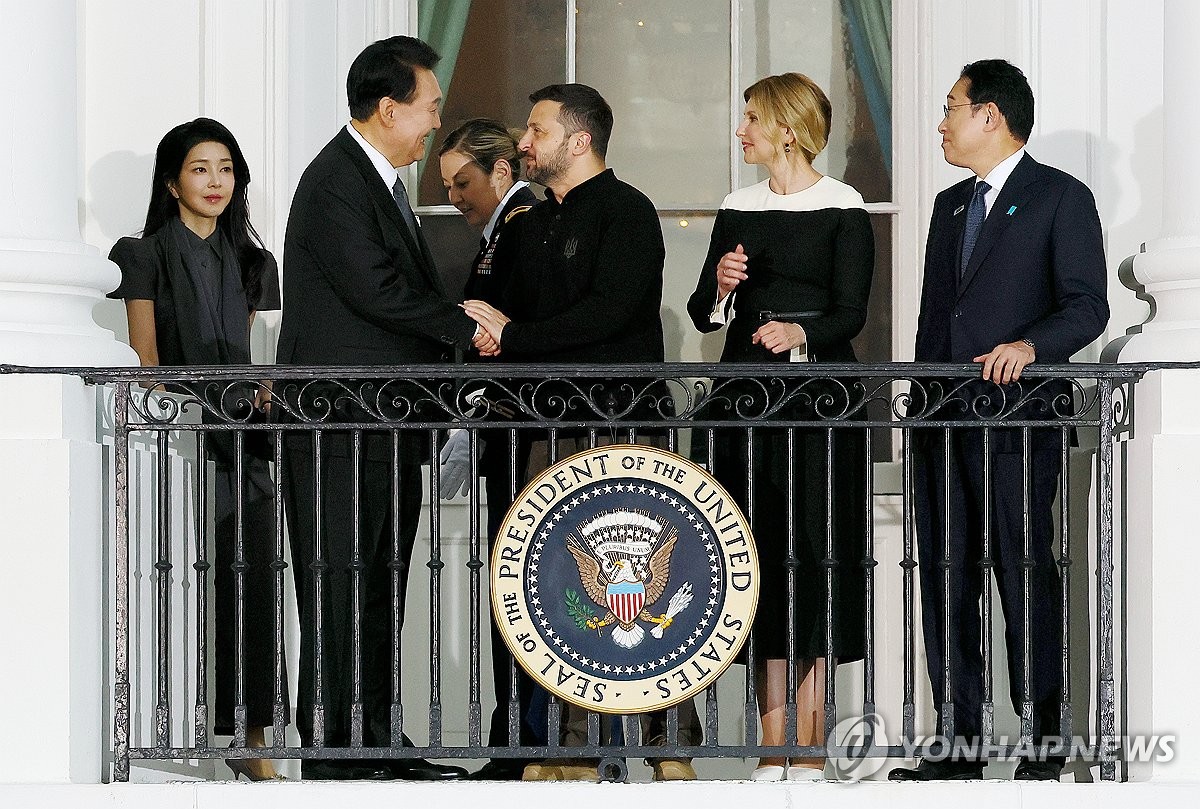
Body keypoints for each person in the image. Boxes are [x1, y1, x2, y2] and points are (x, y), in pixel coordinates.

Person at [462, 83, 702, 783]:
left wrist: (515, 336)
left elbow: (610, 313)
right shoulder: (528, 222)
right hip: (546, 429)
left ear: (579, 140)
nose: (523, 144)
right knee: (557, 590)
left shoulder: (628, 212)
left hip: (625, 426)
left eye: (535, 130)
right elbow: (500, 314)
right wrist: (489, 334)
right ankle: (569, 746)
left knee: (656, 592)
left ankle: (670, 747)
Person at [276, 35, 494, 781]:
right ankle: (338, 753)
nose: (435, 123)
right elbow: (374, 288)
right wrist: (464, 325)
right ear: (388, 106)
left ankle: (378, 739)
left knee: (379, 585)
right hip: (340, 425)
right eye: (429, 108)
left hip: (389, 425)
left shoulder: (378, 183)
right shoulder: (336, 181)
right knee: (339, 582)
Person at [888, 59, 1108, 782]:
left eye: (951, 107)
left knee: (1023, 575)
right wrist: (917, 408)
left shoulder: (1060, 197)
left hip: (1016, 421)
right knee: (947, 582)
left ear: (991, 117)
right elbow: (933, 319)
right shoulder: (951, 205)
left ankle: (1044, 743)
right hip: (941, 421)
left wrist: (1030, 345)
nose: (942, 122)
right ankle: (957, 746)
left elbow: (1087, 304)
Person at [685, 72, 874, 781]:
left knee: (815, 557)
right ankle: (772, 748)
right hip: (746, 409)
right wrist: (725, 287)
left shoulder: (843, 207)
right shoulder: (738, 207)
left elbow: (851, 312)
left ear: (787, 129)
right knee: (754, 558)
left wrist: (798, 329)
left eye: (751, 120)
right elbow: (704, 309)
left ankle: (810, 746)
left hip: (820, 408)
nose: (741, 132)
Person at [107, 117, 287, 781]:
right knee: (185, 580)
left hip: (247, 440)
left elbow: (246, 356)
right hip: (180, 438)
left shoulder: (251, 260)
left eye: (226, 169)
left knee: (256, 579)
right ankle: (177, 733)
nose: (216, 182)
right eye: (200, 169)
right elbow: (146, 356)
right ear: (171, 181)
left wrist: (261, 393)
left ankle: (253, 734)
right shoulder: (142, 253)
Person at [435, 118, 542, 781]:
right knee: (515, 585)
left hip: (522, 431)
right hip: (504, 428)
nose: (455, 197)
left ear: (501, 171)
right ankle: (518, 735)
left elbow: (512, 324)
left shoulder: (523, 224)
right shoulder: (502, 229)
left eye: (464, 181)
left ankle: (526, 739)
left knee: (522, 585)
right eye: (447, 187)